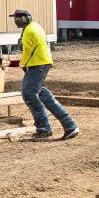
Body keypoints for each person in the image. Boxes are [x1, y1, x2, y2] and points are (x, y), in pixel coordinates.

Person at [12, 8, 78, 141]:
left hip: (38, 64)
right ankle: (70, 125)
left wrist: (21, 64)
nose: (16, 20)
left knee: (29, 94)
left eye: (18, 18)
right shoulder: (34, 27)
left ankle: (44, 129)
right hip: (41, 62)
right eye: (15, 18)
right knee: (41, 93)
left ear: (25, 18)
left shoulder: (29, 30)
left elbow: (27, 52)